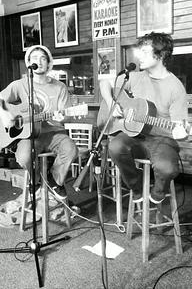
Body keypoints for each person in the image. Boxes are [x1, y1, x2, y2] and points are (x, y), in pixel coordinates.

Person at [98, 32, 189, 204]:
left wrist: (182, 132)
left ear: (160, 54)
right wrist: (111, 103)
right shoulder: (134, 77)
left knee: (167, 168)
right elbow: (104, 83)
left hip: (161, 139)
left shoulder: (175, 87)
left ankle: (157, 193)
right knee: (115, 146)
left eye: (145, 52)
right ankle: (137, 188)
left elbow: (180, 129)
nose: (139, 56)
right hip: (134, 136)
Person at [0, 45, 78, 201]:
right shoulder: (20, 85)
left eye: (43, 58)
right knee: (23, 157)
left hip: (55, 133)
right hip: (30, 136)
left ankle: (54, 179)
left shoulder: (59, 87)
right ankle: (34, 180)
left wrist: (63, 117)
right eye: (34, 58)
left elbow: (66, 114)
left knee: (71, 150)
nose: (39, 62)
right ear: (29, 62)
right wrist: (5, 114)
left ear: (49, 63)